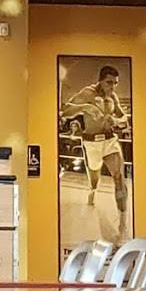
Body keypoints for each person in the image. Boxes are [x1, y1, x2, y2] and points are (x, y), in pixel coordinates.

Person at [61, 64, 130, 238]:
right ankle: (92, 190)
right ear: (100, 81)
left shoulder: (112, 96)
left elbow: (124, 119)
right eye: (109, 82)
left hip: (109, 140)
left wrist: (116, 121)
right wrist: (85, 107)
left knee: (119, 177)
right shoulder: (87, 93)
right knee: (94, 176)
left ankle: (123, 225)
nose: (112, 86)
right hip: (91, 143)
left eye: (115, 83)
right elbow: (65, 111)